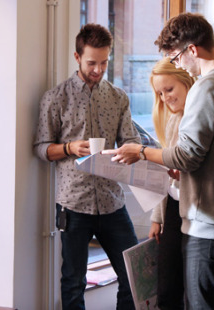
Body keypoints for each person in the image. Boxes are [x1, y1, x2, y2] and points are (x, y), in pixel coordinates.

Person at [103, 12, 214, 309]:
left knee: (201, 303)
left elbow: (186, 156)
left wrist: (139, 151)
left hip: (208, 221)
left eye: (176, 57)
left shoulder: (206, 87)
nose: (178, 64)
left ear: (192, 50)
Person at [33, 23, 141, 310]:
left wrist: (125, 151)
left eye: (104, 62)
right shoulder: (55, 98)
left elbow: (131, 139)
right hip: (73, 205)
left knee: (133, 275)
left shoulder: (118, 97)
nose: (98, 69)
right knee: (73, 282)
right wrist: (69, 148)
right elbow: (41, 148)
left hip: (112, 202)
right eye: (92, 62)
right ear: (77, 56)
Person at [147, 58, 196, 310]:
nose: (165, 97)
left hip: (196, 211)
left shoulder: (196, 118)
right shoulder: (171, 120)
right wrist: (157, 217)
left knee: (194, 286)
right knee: (167, 285)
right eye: (160, 93)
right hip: (173, 211)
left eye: (169, 89)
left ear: (187, 82)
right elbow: (166, 176)